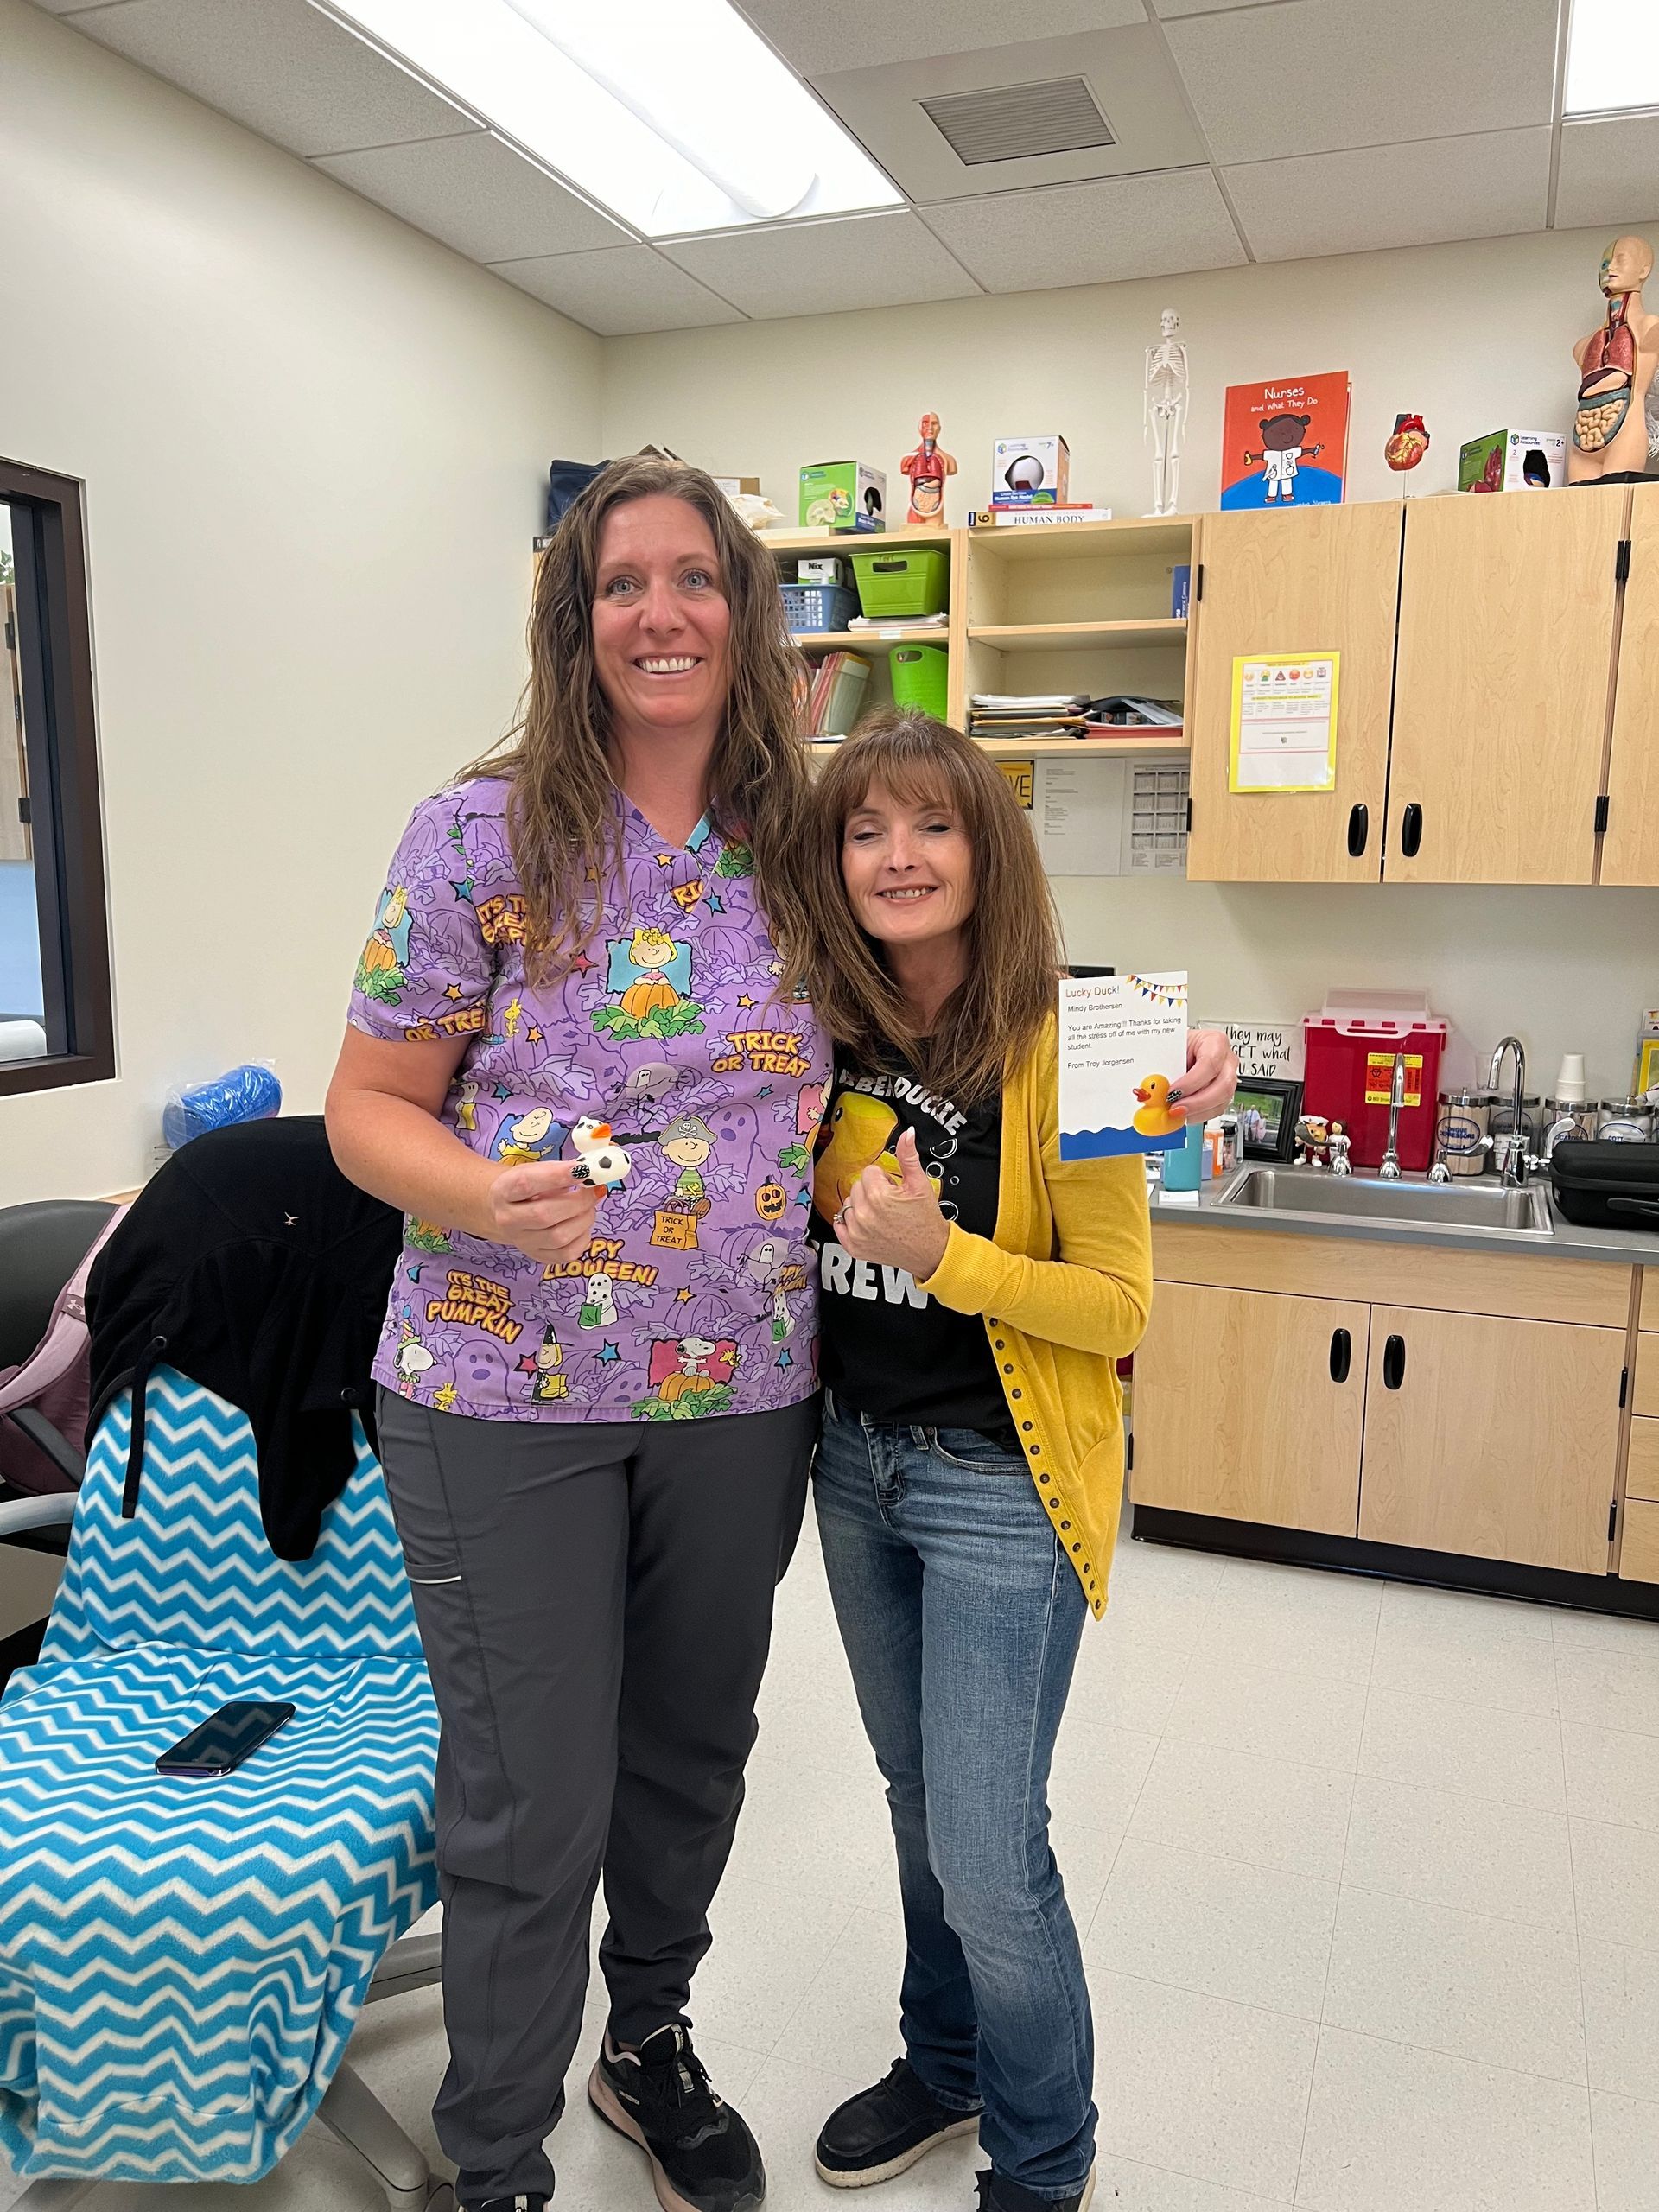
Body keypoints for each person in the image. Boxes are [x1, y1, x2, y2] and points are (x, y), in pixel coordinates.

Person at [324, 455, 830, 2212]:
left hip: (742, 1380)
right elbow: (365, 1105)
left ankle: (650, 2041)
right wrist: (470, 1187)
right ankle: (490, 2162)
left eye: (697, 578)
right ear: (576, 616)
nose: (662, 611)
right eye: (624, 582)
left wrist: (1170, 1063)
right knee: (532, 1795)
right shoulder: (477, 832)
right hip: (495, 1378)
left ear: (745, 611)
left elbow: (960, 1011)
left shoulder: (811, 836)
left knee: (690, 1748)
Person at [797, 709, 1237, 2212]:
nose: (898, 857)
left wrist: (948, 1254)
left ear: (988, 846)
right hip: (854, 1470)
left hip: (1000, 1486)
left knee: (990, 1852)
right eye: (864, 830)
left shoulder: (1097, 1029)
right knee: (916, 1803)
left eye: (931, 824)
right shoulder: (819, 1013)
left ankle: (1045, 2165)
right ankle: (948, 2060)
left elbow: (1118, 1308)